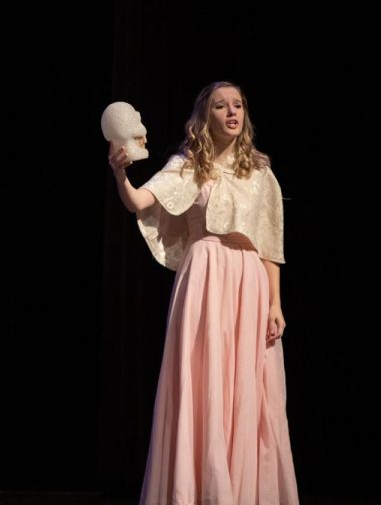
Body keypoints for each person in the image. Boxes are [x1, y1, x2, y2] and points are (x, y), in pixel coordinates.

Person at [107, 81, 299, 505]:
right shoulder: (189, 165)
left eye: (238, 105)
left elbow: (269, 244)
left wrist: (275, 303)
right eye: (220, 106)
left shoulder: (260, 171)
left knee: (250, 388)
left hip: (248, 280)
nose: (232, 112)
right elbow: (139, 202)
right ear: (204, 116)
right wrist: (121, 172)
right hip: (206, 276)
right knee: (205, 382)